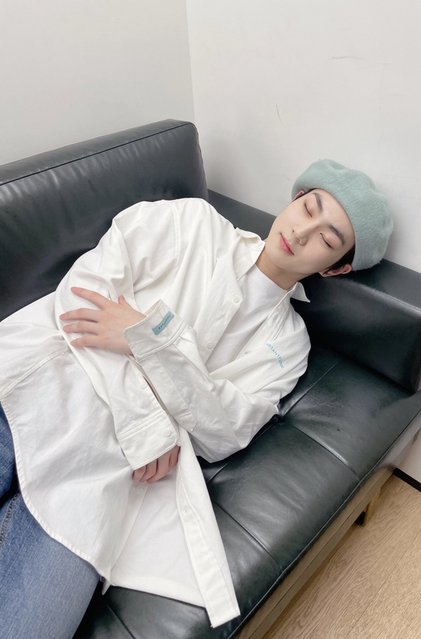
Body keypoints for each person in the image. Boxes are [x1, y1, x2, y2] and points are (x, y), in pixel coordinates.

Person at [0, 159, 393, 638]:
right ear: (295, 199)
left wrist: (151, 338)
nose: (302, 231)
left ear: (335, 268)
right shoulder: (191, 223)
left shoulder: (289, 345)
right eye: (309, 208)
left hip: (101, 480)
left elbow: (224, 433)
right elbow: (83, 298)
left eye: (327, 240)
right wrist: (151, 417)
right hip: (38, 392)